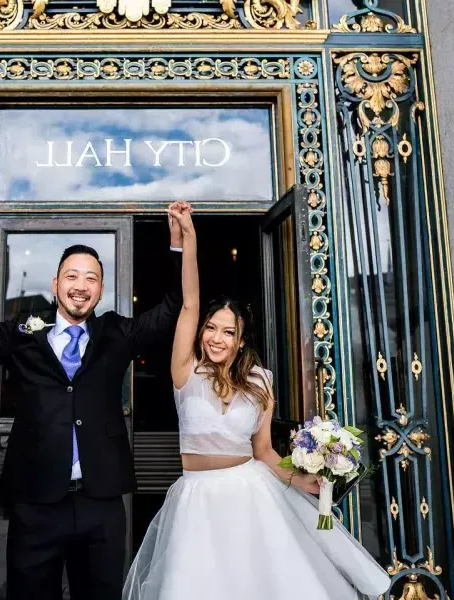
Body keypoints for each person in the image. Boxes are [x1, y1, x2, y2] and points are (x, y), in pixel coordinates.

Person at [0, 199, 190, 600]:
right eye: (72, 276)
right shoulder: (22, 334)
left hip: (100, 502)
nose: (80, 286)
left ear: (101, 290)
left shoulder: (118, 334)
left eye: (91, 279)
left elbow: (172, 308)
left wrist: (177, 244)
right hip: (36, 503)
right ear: (55, 284)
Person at [123, 205, 391, 600]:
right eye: (211, 329)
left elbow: (264, 451)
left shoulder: (260, 382)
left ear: (240, 340)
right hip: (197, 498)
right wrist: (187, 239)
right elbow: (190, 303)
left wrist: (300, 479)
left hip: (252, 494)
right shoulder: (185, 371)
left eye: (228, 331)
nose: (216, 337)